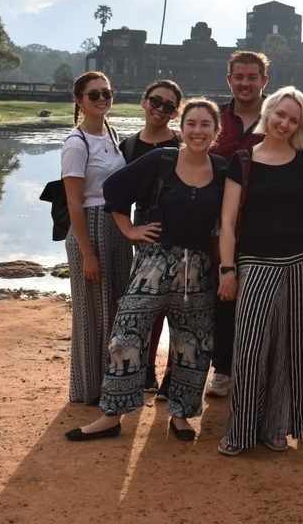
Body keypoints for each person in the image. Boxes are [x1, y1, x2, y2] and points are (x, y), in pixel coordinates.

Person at [65, 99, 226, 442]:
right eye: (192, 124)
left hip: (197, 267)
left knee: (192, 342)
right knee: (127, 334)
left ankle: (181, 414)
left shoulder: (223, 169)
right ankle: (112, 414)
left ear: (216, 130)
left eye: (205, 125)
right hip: (154, 260)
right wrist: (129, 230)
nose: (198, 131)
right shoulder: (161, 160)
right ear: (182, 128)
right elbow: (114, 190)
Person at [216, 86, 303, 455]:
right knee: (249, 348)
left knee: (293, 346)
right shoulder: (242, 161)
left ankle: (278, 424)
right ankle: (239, 430)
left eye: (294, 120)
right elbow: (227, 223)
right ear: (268, 111)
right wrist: (228, 269)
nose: (285, 123)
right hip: (254, 262)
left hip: (301, 262)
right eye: (281, 114)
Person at [61, 71, 130, 405]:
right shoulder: (76, 143)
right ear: (79, 101)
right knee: (91, 313)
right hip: (90, 227)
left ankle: (113, 386)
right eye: (94, 95)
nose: (102, 99)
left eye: (107, 93)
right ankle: (88, 390)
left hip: (115, 228)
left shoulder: (111, 133)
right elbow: (74, 201)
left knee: (116, 308)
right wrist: (87, 252)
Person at [205, 50, 270, 400]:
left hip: (264, 221)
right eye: (239, 77)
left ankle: (258, 371)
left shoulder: (277, 117)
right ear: (229, 80)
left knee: (261, 298)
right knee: (222, 293)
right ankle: (223, 367)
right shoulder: (214, 119)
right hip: (218, 221)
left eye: (252, 77)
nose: (246, 83)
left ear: (264, 81)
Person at [118, 79, 183, 395]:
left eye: (168, 106)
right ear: (144, 101)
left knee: (179, 308)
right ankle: (146, 367)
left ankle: (173, 371)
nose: (160, 109)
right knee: (149, 306)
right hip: (147, 234)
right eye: (155, 101)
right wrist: (129, 229)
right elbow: (113, 192)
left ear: (175, 112)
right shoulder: (129, 146)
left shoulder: (184, 144)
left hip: (184, 233)